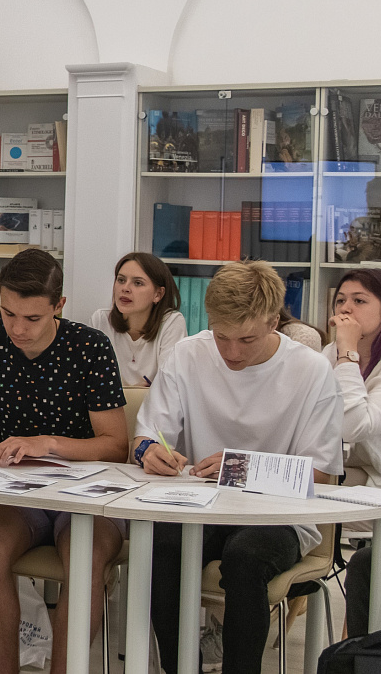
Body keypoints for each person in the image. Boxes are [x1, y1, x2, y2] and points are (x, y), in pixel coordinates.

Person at [134, 260, 342, 674]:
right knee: (161, 547)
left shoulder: (311, 370)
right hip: (201, 505)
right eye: (221, 336)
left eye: (246, 339)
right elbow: (147, 435)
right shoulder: (188, 354)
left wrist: (239, 468)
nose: (231, 352)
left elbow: (319, 473)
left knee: (245, 558)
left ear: (273, 321)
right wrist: (148, 450)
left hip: (279, 515)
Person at [0, 248, 128, 674]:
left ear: (59, 305)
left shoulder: (89, 346)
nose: (18, 329)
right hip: (18, 492)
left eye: (32, 318)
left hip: (87, 491)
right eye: (8, 313)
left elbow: (116, 445)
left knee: (85, 557)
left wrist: (47, 443)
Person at [326, 269, 381, 509]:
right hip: (355, 473)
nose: (345, 309)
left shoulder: (344, 352)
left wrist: (348, 351)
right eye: (340, 301)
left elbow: (354, 427)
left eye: (359, 301)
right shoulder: (331, 352)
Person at [89, 252, 186, 387]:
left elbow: (168, 387)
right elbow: (92, 384)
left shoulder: (171, 323)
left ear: (158, 294)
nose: (125, 288)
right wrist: (141, 391)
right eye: (121, 280)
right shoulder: (101, 320)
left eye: (138, 283)